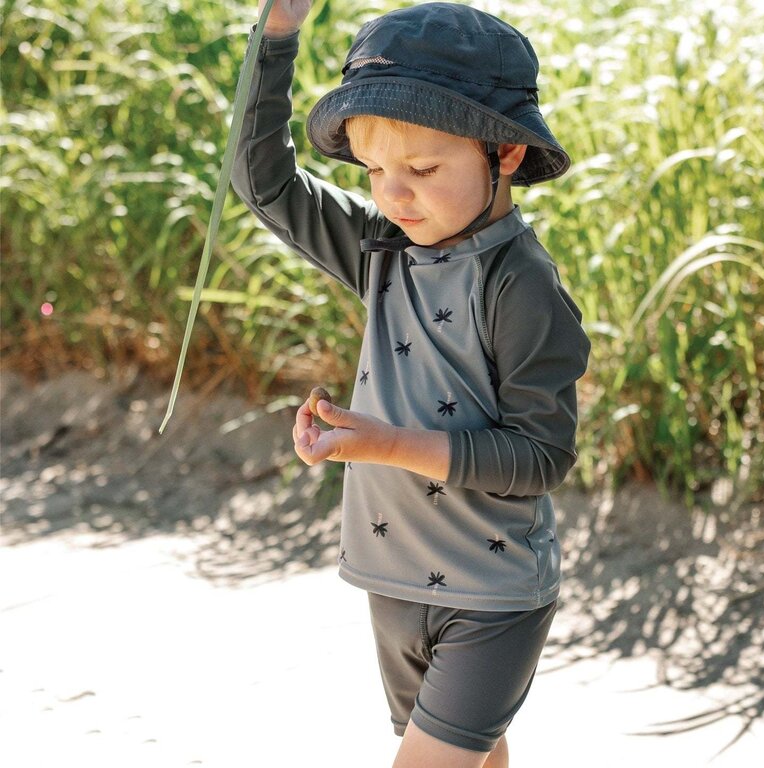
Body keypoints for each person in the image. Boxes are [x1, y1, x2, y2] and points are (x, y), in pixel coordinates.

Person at [232, 3, 591, 766]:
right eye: (373, 170)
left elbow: (539, 458)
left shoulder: (521, 285)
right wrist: (276, 40)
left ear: (507, 153)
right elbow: (261, 184)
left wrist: (388, 443)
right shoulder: (381, 251)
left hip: (491, 594)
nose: (393, 196)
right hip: (392, 579)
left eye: (423, 170)